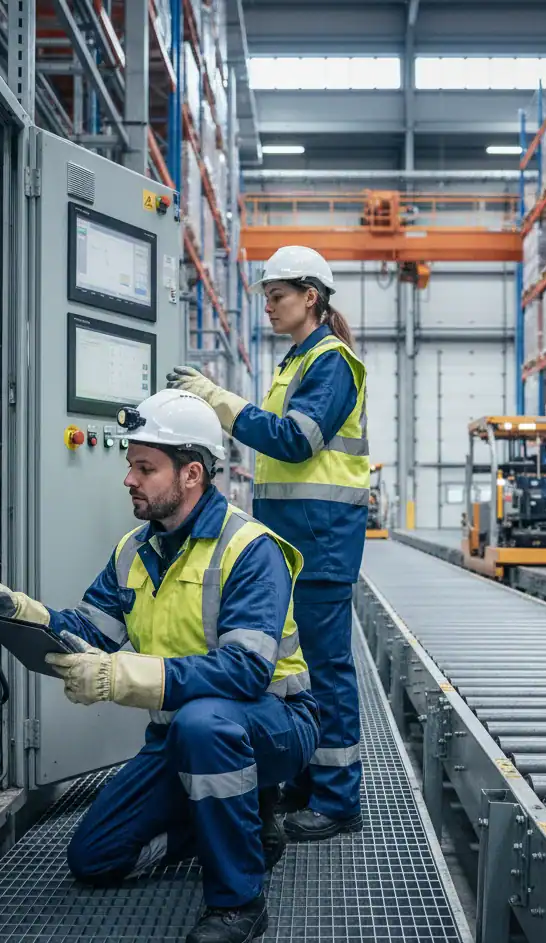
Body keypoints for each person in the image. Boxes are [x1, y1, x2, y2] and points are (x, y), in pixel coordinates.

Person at [0, 390, 319, 943]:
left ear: (192, 474)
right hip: (183, 737)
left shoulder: (250, 550)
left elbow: (246, 671)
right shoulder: (135, 550)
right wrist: (19, 611)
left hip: (273, 726)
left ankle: (238, 901)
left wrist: (118, 678)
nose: (129, 478)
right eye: (131, 464)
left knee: (206, 722)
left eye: (145, 468)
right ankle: (245, 820)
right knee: (95, 858)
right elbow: (90, 629)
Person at [167, 246, 369, 842]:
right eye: (266, 298)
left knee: (327, 670)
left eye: (277, 297)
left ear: (311, 296)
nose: (269, 309)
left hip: (322, 541)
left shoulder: (331, 362)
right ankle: (310, 782)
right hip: (293, 539)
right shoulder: (295, 361)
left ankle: (338, 800)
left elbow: (295, 441)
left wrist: (218, 401)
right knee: (300, 670)